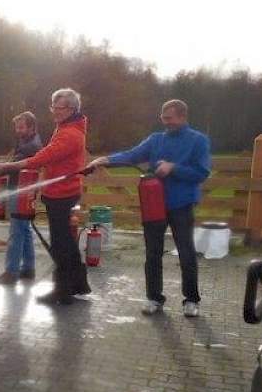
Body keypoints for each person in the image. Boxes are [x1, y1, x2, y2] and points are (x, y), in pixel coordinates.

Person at [86, 99, 210, 317]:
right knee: (152, 253)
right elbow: (131, 155)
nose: (166, 122)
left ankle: (191, 300)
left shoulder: (198, 140)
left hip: (182, 205)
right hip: (154, 204)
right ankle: (154, 297)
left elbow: (201, 172)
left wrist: (174, 168)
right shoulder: (156, 140)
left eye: (169, 118)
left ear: (182, 116)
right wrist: (106, 160)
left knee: (186, 253)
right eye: (163, 118)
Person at [0, 88, 90, 305]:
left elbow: (43, 157)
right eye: (53, 107)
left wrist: (8, 166)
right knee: (66, 243)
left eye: (59, 108)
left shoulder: (70, 134)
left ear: (71, 108)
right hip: (58, 193)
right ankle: (77, 284)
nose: (54, 112)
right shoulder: (65, 127)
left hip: (63, 194)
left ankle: (63, 291)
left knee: (61, 244)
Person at [0, 111, 42, 285]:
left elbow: (15, 167)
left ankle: (11, 272)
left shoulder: (30, 146)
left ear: (31, 127)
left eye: (21, 127)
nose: (18, 130)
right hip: (26, 190)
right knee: (25, 229)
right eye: (16, 126)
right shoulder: (26, 141)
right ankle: (28, 269)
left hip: (21, 191)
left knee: (16, 231)